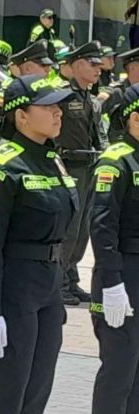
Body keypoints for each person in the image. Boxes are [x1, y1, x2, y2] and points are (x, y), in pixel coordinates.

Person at [0, 74, 76, 414]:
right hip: (13, 286)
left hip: (48, 284)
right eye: (48, 107)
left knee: (37, 390)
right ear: (22, 115)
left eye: (59, 106)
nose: (59, 112)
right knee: (7, 394)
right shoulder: (3, 167)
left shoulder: (51, 159)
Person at [89, 83, 139, 414]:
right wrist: (112, 283)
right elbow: (102, 226)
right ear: (134, 119)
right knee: (120, 367)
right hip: (124, 274)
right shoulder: (115, 161)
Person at [57, 41, 103, 305]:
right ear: (75, 66)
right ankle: (60, 281)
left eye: (99, 65)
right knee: (69, 227)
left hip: (88, 167)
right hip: (69, 166)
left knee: (82, 229)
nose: (98, 70)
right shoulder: (62, 95)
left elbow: (99, 136)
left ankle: (71, 278)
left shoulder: (91, 99)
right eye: (92, 64)